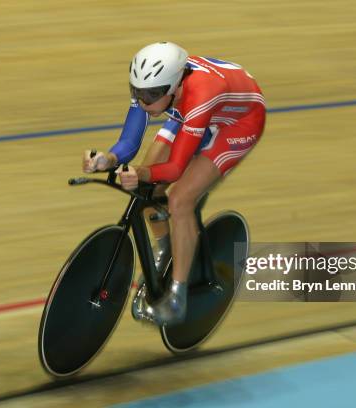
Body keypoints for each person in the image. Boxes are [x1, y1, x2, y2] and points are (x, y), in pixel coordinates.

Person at [82, 42, 265, 326]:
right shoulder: (152, 87)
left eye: (150, 96)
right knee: (147, 190)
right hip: (192, 112)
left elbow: (175, 168)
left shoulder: (198, 95)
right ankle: (166, 246)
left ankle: (177, 298)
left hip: (238, 123)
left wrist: (141, 172)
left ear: (174, 87)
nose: (143, 102)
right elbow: (130, 141)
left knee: (180, 199)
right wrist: (109, 158)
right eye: (136, 92)